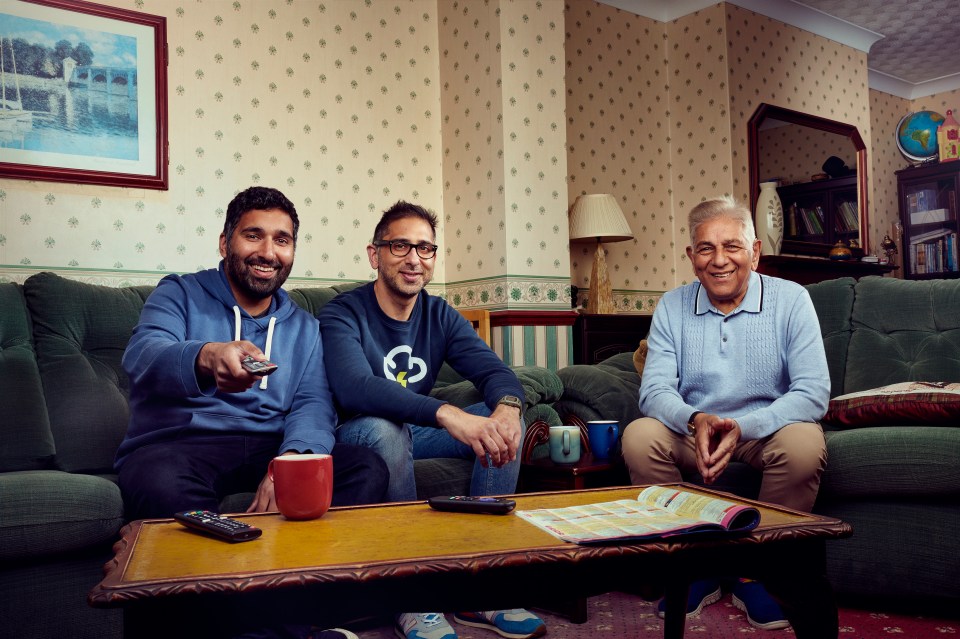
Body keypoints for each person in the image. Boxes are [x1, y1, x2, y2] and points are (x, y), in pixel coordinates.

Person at [317, 201, 546, 639]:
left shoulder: (439, 314)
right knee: (387, 428)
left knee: (500, 423)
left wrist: (508, 408)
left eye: (425, 248)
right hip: (352, 435)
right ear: (375, 254)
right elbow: (354, 387)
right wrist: (446, 413)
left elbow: (494, 371)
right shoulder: (342, 312)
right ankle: (413, 594)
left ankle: (479, 585)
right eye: (400, 245)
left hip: (412, 432)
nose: (414, 259)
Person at [621, 195, 830, 631]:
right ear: (691, 256)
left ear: (754, 252)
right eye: (706, 248)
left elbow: (813, 393)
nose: (719, 260)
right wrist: (694, 419)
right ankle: (689, 566)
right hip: (693, 430)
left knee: (804, 445)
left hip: (763, 429)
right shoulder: (672, 305)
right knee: (640, 436)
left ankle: (758, 570)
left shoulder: (792, 300)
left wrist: (744, 426)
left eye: (732, 246)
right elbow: (654, 389)